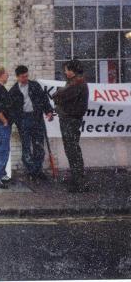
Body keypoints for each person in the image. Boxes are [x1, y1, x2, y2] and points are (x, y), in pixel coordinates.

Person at [9, 65, 54, 181]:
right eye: (23, 77)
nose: (25, 78)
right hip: (23, 119)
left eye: (27, 76)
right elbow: (11, 109)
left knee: (39, 145)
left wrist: (48, 111)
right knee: (26, 147)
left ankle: (38, 170)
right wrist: (17, 121)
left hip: (36, 118)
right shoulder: (14, 91)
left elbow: (44, 99)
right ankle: (31, 171)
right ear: (17, 77)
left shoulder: (34, 85)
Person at [52, 59, 89, 193]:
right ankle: (77, 178)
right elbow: (61, 96)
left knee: (72, 150)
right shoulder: (75, 82)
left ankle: (79, 182)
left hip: (70, 120)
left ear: (73, 71)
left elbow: (59, 95)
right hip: (70, 119)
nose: (65, 72)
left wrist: (57, 95)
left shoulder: (77, 83)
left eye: (67, 70)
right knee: (72, 150)